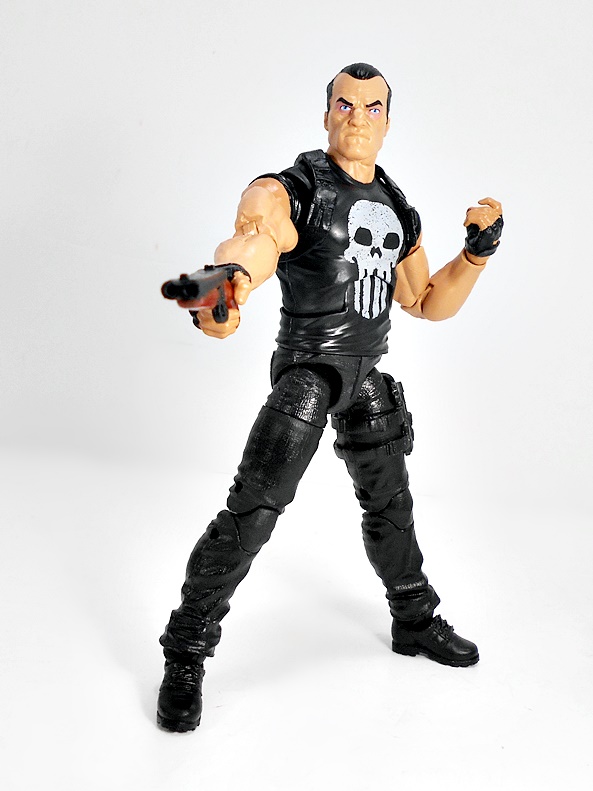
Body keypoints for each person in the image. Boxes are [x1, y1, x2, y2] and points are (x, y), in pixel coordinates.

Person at [157, 63, 503, 732]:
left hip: (366, 374)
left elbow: (424, 300)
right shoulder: (299, 187)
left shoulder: (396, 205)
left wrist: (475, 256)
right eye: (344, 104)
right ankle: (186, 647)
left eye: (372, 107)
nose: (357, 118)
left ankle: (413, 618)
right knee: (252, 513)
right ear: (325, 115)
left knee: (392, 508)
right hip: (309, 374)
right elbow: (261, 235)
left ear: (387, 122)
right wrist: (231, 279)